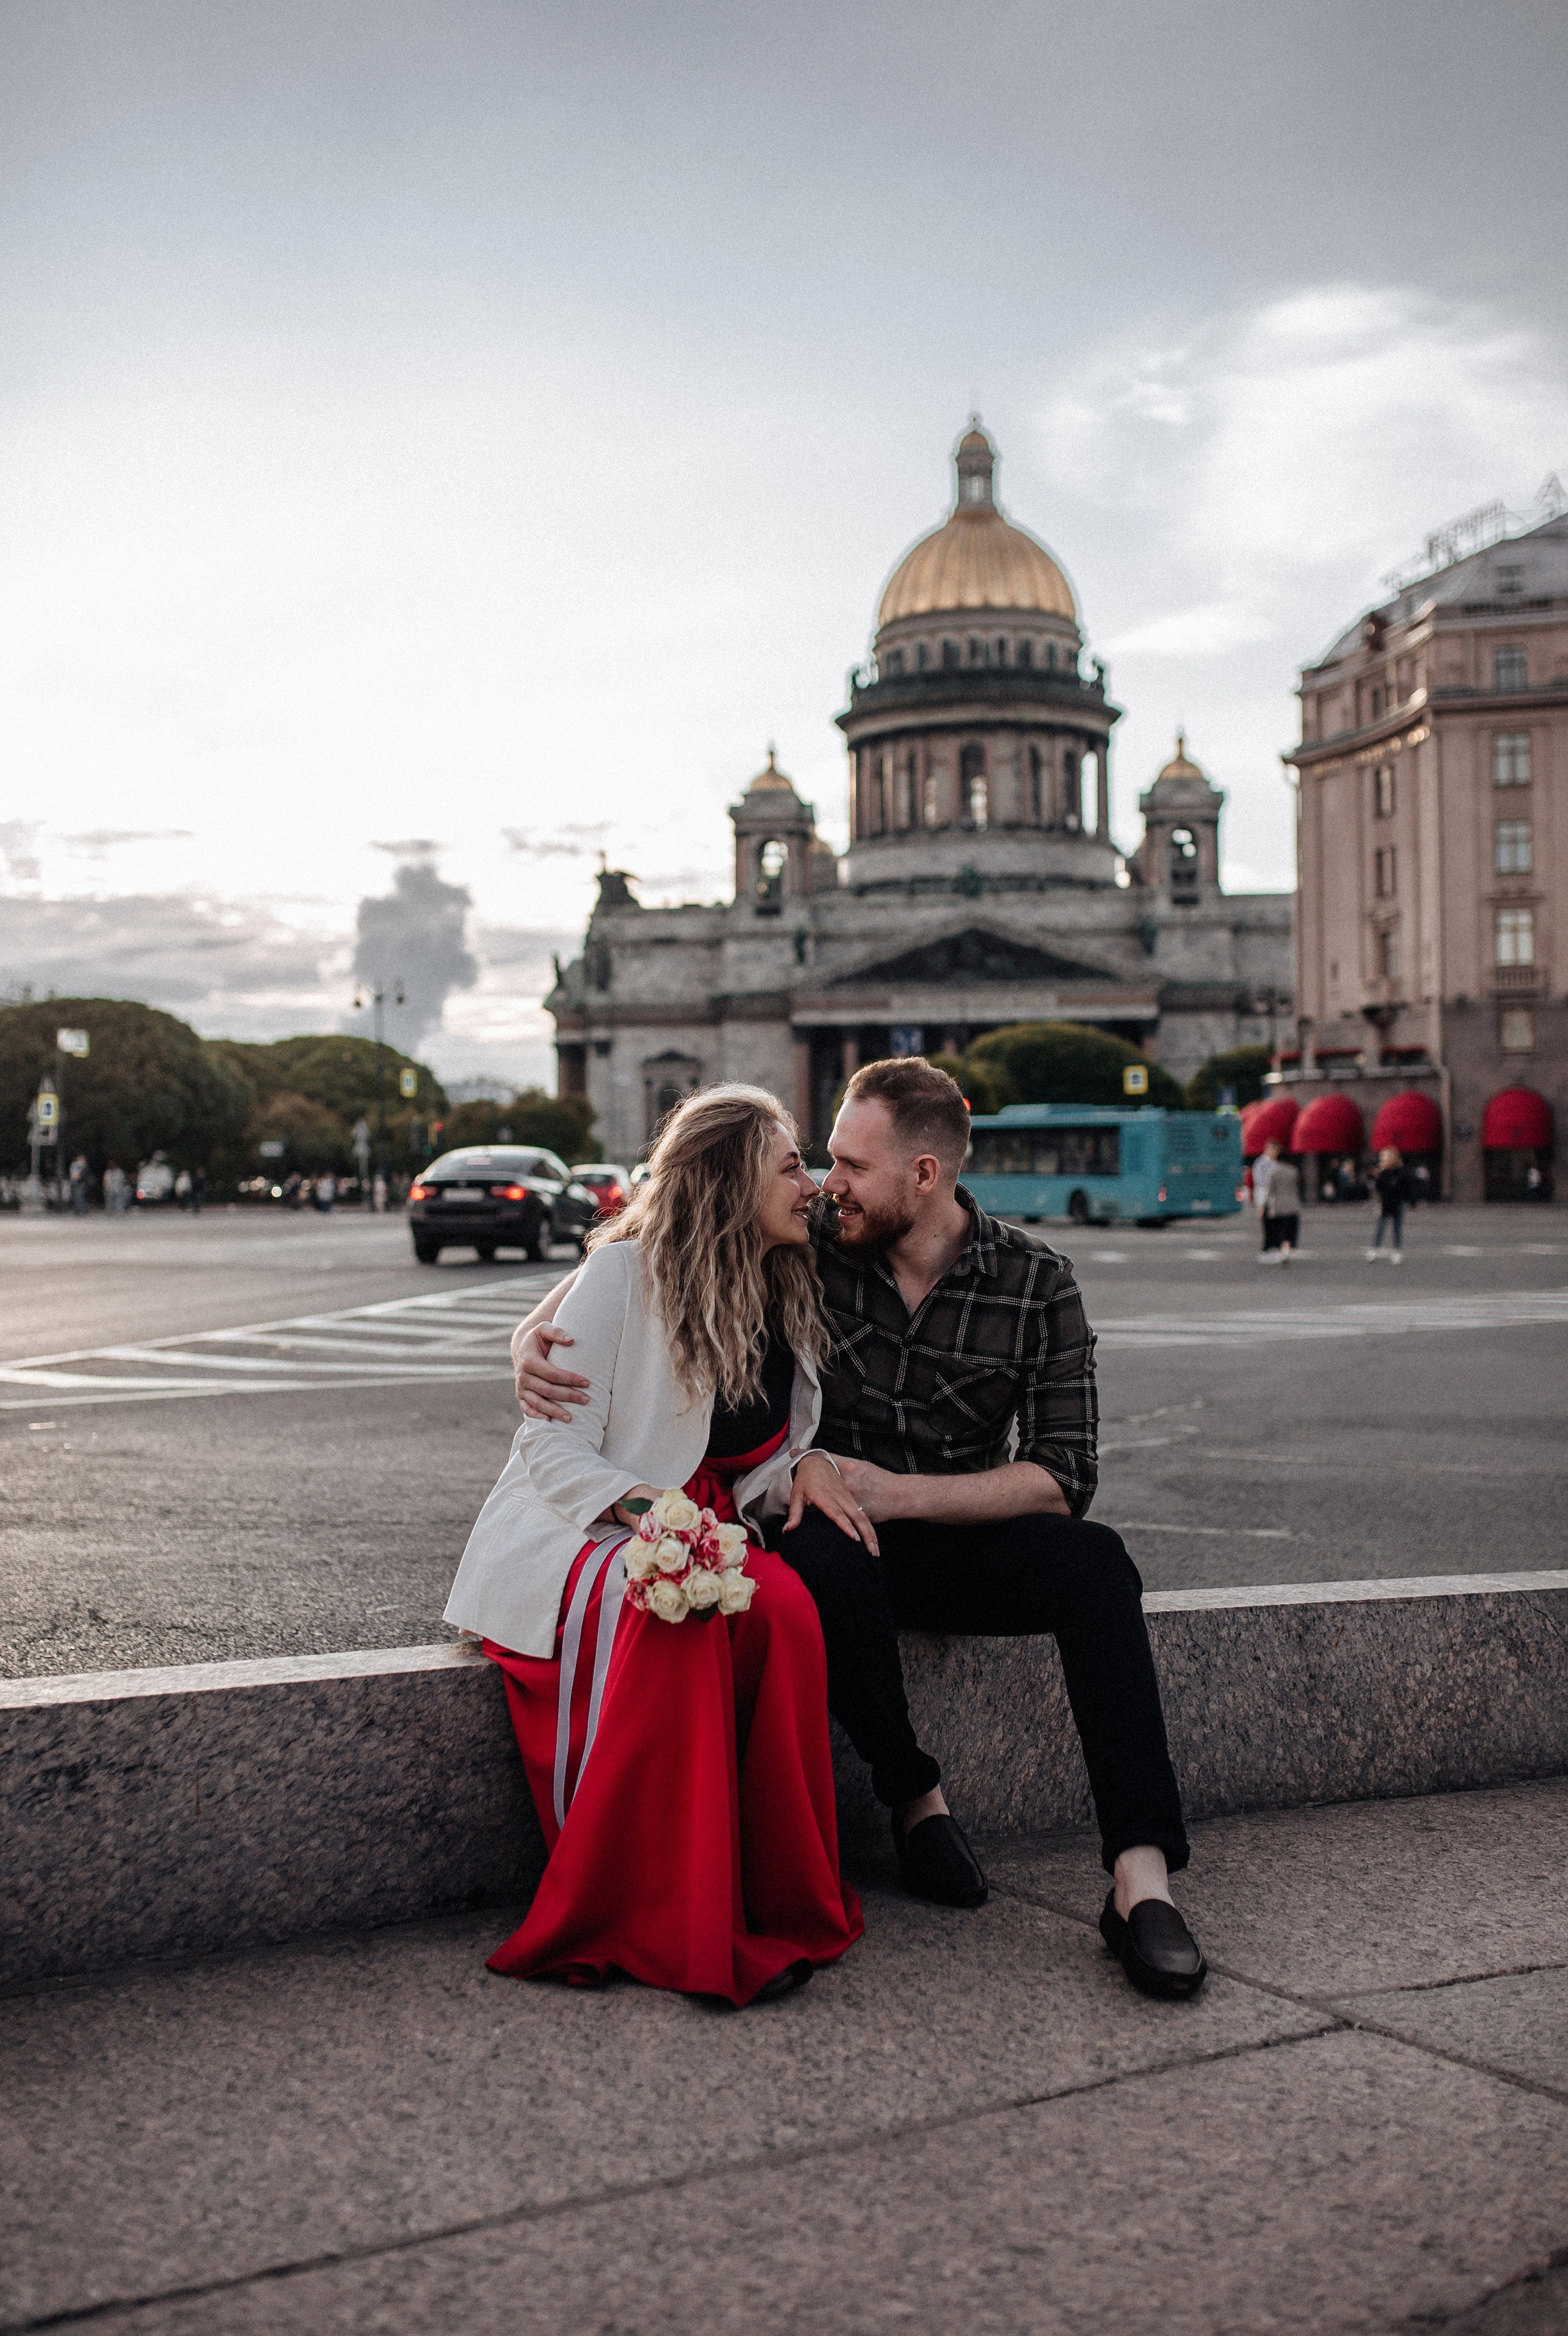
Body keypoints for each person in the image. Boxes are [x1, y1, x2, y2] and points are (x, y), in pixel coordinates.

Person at [516, 1058, 1206, 2002]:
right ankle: (917, 1801)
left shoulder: (1036, 1282)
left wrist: (895, 1490)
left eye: (847, 1162)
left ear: (924, 1175)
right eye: (817, 1162)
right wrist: (531, 1329)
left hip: (944, 1530)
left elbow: (1063, 1477)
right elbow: (663, 1246)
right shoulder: (816, 1249)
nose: (825, 1183)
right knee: (817, 1558)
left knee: (1099, 1566)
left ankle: (1141, 1880)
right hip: (829, 1539)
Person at [445, 1084, 863, 2007]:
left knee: (785, 1610)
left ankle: (772, 1895)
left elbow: (755, 1455)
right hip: (579, 1524)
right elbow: (549, 1441)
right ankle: (663, 1919)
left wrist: (807, 1468)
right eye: (790, 1164)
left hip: (704, 1518)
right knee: (682, 1615)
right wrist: (647, 1514)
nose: (813, 1183)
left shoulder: (785, 1281)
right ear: (727, 1179)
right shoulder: (624, 1274)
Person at [1256, 1139, 1300, 1264]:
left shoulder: (1274, 1171)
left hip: (1277, 1205)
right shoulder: (1293, 1171)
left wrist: (1263, 1206)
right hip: (1291, 1206)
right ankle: (1283, 1252)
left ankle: (1272, 1251)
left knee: (1275, 1230)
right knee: (1287, 1232)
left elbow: (1268, 1189)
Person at [1368, 1146, 1409, 1263]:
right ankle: (1374, 1250)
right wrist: (1375, 1177)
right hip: (1385, 1203)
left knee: (1397, 1228)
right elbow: (1378, 1188)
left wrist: (1411, 1201)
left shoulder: (1401, 1172)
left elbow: (1405, 1187)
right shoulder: (1382, 1173)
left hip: (1397, 1203)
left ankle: (1397, 1251)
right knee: (1380, 1227)